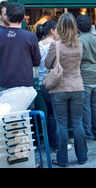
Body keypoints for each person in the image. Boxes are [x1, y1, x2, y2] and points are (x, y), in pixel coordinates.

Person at [45, 13, 88, 167]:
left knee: (61, 124)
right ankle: (82, 156)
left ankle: (62, 159)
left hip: (59, 89)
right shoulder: (80, 45)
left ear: (60, 27)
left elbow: (48, 64)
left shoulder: (55, 45)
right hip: (77, 86)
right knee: (78, 122)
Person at [0, 2, 41, 96]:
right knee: (26, 110)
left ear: (7, 17)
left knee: (8, 110)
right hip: (25, 83)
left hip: (6, 83)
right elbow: (37, 61)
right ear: (23, 18)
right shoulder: (30, 36)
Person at [76, 15, 96, 141]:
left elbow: (76, 61)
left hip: (84, 76)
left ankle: (88, 134)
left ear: (77, 27)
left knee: (86, 106)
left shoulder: (78, 41)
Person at [37, 20, 59, 152]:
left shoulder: (38, 44)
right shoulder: (55, 44)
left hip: (42, 82)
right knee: (56, 114)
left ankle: (50, 144)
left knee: (50, 113)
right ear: (52, 30)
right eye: (58, 30)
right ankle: (56, 145)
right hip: (54, 82)